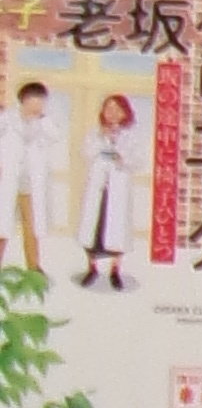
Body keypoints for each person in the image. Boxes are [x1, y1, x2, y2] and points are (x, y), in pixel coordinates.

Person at [2, 70, 66, 277]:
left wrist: (40, 120)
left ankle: (33, 267)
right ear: (23, 100)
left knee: (31, 228)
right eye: (33, 100)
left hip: (30, 185)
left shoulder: (46, 123)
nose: (36, 105)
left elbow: (56, 136)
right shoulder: (7, 119)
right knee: (2, 225)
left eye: (40, 101)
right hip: (6, 181)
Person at [74, 87, 138, 291]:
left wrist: (120, 154)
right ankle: (92, 268)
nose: (112, 113)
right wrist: (101, 139)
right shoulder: (95, 133)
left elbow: (137, 161)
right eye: (108, 108)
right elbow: (85, 154)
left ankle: (115, 270)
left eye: (117, 109)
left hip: (118, 188)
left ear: (125, 113)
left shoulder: (130, 136)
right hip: (98, 187)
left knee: (117, 229)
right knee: (94, 228)